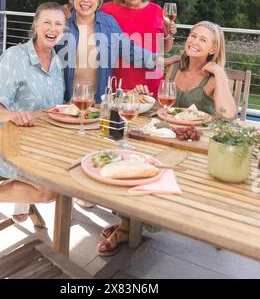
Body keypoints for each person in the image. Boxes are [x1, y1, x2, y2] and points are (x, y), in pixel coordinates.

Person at [97, 21, 237, 255]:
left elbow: (227, 116)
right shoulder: (174, 69)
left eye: (203, 40)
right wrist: (144, 95)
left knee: (146, 164)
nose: (194, 41)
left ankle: (127, 225)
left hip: (196, 149)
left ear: (213, 49)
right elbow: (164, 107)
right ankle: (129, 221)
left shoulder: (213, 78)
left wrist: (220, 73)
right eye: (193, 36)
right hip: (167, 139)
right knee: (128, 155)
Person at [0, 2, 66, 236]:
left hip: (33, 144)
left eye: (58, 24)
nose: (52, 28)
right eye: (47, 22)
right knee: (49, 190)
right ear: (36, 25)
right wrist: (12, 115)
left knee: (65, 175)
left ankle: (21, 194)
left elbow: (52, 109)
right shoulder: (15, 57)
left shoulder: (57, 62)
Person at [56, 0, 162, 104]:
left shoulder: (109, 24)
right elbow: (42, 49)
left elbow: (129, 50)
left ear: (99, 0)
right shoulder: (61, 22)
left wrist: (162, 60)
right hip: (65, 103)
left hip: (98, 103)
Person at [100, 0, 177, 97]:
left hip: (151, 81)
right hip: (119, 82)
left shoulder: (156, 10)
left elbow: (165, 48)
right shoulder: (107, 10)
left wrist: (169, 34)